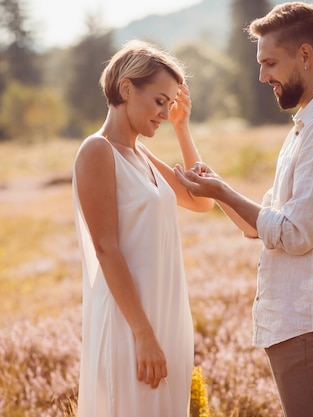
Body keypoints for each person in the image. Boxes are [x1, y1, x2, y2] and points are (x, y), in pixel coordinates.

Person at [174, 3, 313, 417]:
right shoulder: (306, 126)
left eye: (269, 63)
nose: (262, 76)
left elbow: (295, 234)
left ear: (305, 55)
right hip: (296, 325)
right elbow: (261, 226)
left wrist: (224, 192)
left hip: (309, 323)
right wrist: (216, 187)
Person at [72, 40, 214, 417]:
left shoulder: (141, 154)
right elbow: (106, 249)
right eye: (159, 101)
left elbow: (202, 201)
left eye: (170, 104)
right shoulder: (97, 151)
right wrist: (143, 334)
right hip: (130, 326)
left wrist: (183, 130)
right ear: (125, 89)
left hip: (166, 315)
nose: (166, 113)